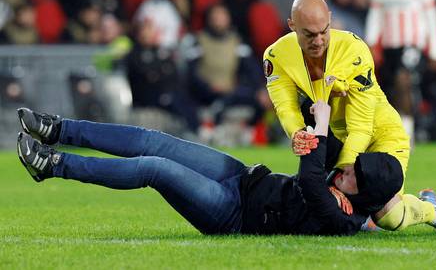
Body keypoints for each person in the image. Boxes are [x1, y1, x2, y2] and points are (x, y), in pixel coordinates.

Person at [16, 103, 410, 236]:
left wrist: (319, 130)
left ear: (367, 197)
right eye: (355, 166)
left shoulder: (344, 219)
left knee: (155, 168)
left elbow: (309, 178)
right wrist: (319, 113)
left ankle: (53, 164)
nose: (346, 170)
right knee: (155, 140)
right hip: (244, 177)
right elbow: (321, 145)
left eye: (356, 175)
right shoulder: (347, 185)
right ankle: (59, 129)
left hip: (233, 214)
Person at [264, 0, 436, 232]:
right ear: (292, 26)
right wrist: (296, 134)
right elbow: (286, 106)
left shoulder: (353, 51)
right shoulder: (276, 56)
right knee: (338, 203)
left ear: (330, 19)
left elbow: (362, 125)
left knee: (389, 217)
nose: (318, 41)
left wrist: (341, 174)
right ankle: (365, 214)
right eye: (309, 34)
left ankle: (432, 209)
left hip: (381, 134)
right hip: (340, 137)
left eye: (324, 31)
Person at [365, 0, 436, 142]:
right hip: (389, 46)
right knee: (393, 89)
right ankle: (398, 131)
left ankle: (407, 135)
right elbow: (375, 15)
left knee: (403, 80)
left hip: (412, 44)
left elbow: (431, 16)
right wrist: (371, 43)